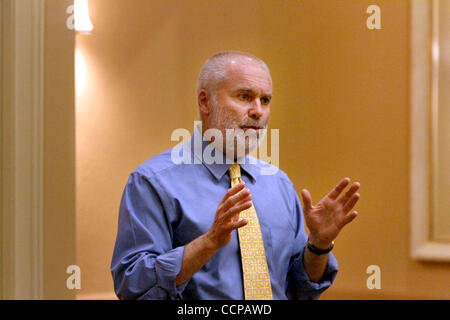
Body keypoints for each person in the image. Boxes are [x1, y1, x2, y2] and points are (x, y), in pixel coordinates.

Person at [110, 51, 361, 300]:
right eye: (245, 96)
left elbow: (301, 289)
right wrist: (208, 243)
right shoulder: (153, 182)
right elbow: (133, 287)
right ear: (205, 102)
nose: (258, 111)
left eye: (265, 100)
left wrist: (318, 245)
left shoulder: (279, 183)